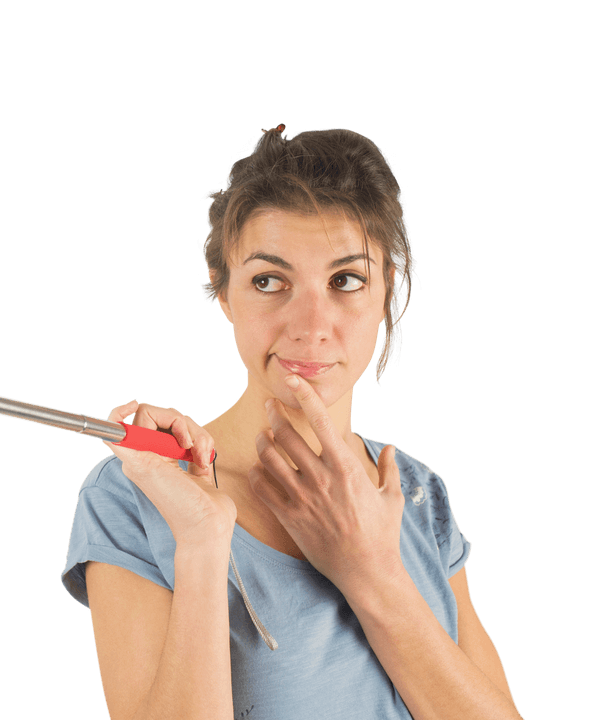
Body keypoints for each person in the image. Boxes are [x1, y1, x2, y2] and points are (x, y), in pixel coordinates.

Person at [60, 125, 523, 720]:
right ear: (224, 295)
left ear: (387, 293)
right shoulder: (136, 494)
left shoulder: (416, 491)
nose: (310, 325)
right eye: (269, 281)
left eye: (346, 280)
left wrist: (371, 571)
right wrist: (202, 542)